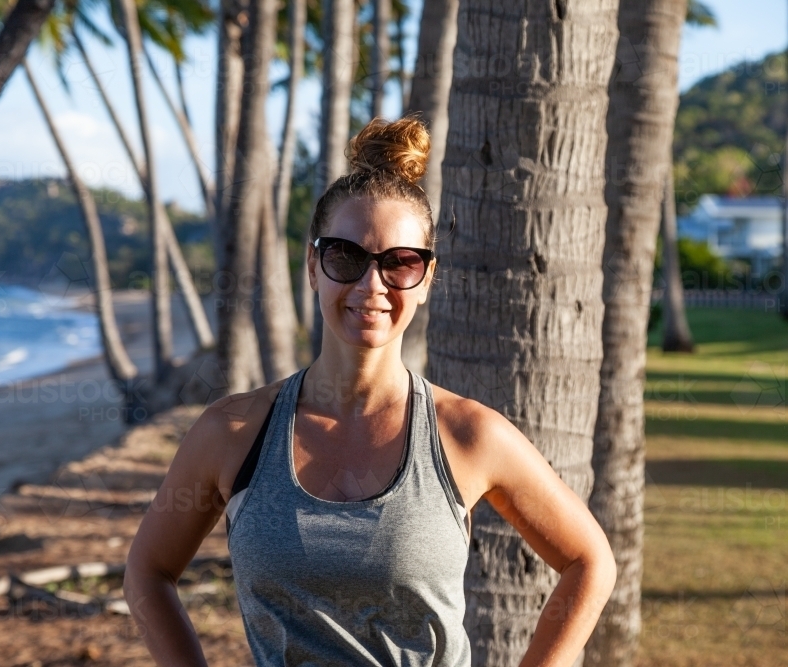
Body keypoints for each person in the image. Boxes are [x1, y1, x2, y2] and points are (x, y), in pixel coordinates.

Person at [123, 116, 617, 666]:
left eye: (399, 263)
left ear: (426, 280)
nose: (371, 285)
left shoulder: (469, 435)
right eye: (345, 256)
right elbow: (148, 572)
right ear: (313, 265)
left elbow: (589, 561)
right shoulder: (232, 433)